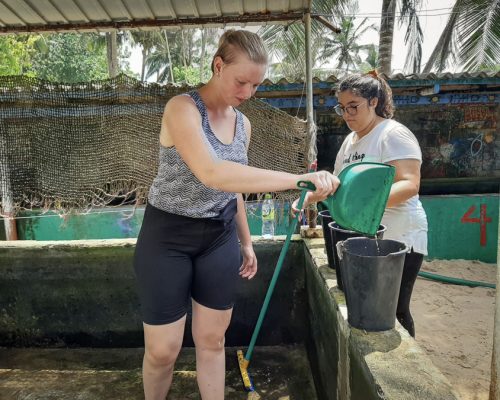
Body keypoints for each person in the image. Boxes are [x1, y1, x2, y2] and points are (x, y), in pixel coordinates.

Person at [133, 29, 339, 400]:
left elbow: (233, 188)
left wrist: (246, 241)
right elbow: (212, 172)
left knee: (212, 340)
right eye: (241, 81)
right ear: (217, 66)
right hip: (167, 236)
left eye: (256, 86)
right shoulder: (182, 109)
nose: (247, 93)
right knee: (163, 350)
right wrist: (298, 178)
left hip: (219, 237)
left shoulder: (243, 125)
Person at [294, 71, 428, 338]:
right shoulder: (350, 141)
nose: (347, 114)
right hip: (365, 234)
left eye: (353, 106)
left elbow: (410, 184)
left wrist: (362, 205)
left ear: (374, 101)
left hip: (399, 234)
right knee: (368, 306)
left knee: (394, 309)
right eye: (342, 108)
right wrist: (308, 197)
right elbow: (339, 185)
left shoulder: (392, 134)